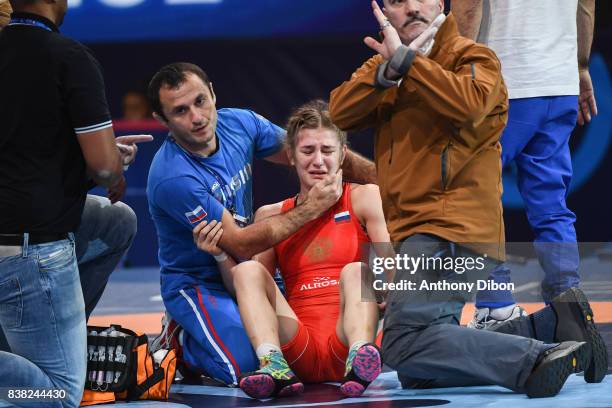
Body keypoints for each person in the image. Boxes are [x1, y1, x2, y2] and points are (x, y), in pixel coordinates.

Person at [329, 0, 603, 398]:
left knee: (400, 342)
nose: (408, 7)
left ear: (440, 3)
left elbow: (470, 104)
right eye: (394, 2)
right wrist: (389, 70)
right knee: (419, 369)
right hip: (416, 232)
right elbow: (338, 112)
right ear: (384, 15)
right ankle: (552, 325)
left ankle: (535, 357)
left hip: (448, 231)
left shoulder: (475, 56)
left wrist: (410, 65)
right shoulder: (384, 66)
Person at [146, 63, 376, 387]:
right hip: (200, 280)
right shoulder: (174, 177)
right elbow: (239, 243)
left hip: (243, 265)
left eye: (200, 101)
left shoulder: (240, 124)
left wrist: (387, 184)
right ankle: (181, 341)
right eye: (180, 111)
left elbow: (309, 151)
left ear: (212, 92)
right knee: (244, 366)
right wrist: (311, 208)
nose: (197, 117)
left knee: (272, 324)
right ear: (163, 121)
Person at [0, 0, 147, 406]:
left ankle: (49, 338)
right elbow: (102, 168)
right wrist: (115, 166)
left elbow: (26, 152)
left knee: (114, 220)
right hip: (28, 249)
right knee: (57, 395)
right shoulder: (69, 57)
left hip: (12, 236)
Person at [193, 100, 388, 399]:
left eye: (327, 151)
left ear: (343, 155)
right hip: (299, 347)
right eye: (307, 151)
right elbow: (251, 289)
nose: (318, 161)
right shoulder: (271, 215)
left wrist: (385, 291)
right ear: (292, 157)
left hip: (346, 336)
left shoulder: (364, 197)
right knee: (248, 269)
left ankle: (361, 355)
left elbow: (391, 265)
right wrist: (220, 255)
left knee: (356, 270)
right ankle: (272, 364)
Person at [452, 0, 599, 328]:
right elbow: (586, 5)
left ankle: (496, 305)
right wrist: (581, 66)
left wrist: (456, 69)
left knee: (477, 197)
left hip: (503, 81)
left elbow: (469, 4)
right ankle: (567, 305)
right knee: (552, 207)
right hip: (558, 81)